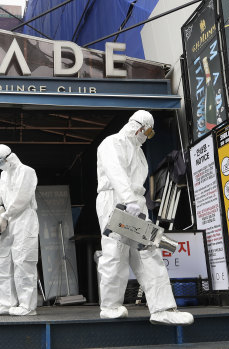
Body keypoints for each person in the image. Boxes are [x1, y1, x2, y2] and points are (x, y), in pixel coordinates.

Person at [95, 110, 193, 325]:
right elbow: (115, 172)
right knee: (115, 253)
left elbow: (137, 184)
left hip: (134, 204)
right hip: (114, 200)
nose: (146, 136)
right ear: (139, 127)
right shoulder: (112, 143)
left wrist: (137, 204)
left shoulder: (138, 152)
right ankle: (110, 306)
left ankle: (162, 308)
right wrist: (128, 200)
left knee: (150, 251)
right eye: (147, 132)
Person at [0, 144, 39, 316]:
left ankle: (27, 306)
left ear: (10, 158)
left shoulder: (27, 172)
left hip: (24, 220)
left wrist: (6, 215)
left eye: (0, 162)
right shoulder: (4, 175)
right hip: (6, 221)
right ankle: (6, 302)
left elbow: (22, 198)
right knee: (3, 261)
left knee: (23, 262)